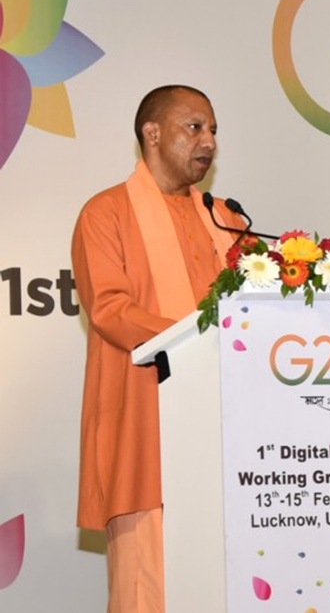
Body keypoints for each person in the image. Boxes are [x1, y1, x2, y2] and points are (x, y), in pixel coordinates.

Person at [72, 85, 241, 613]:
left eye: (213, 130)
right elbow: (111, 309)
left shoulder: (227, 221)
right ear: (152, 133)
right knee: (149, 589)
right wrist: (200, 342)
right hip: (145, 423)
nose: (208, 140)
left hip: (224, 433)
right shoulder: (106, 213)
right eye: (195, 127)